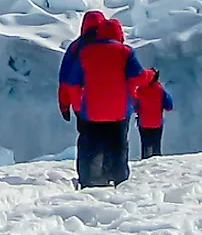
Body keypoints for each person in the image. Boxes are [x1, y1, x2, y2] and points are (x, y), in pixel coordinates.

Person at [59, 14, 146, 187]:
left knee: (89, 143)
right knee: (117, 142)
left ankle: (90, 178)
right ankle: (115, 176)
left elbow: (67, 79)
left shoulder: (78, 48)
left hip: (87, 106)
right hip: (118, 108)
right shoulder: (122, 51)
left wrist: (67, 105)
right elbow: (136, 77)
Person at [133, 67, 172, 158]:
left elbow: (135, 106)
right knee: (156, 145)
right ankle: (157, 163)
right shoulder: (160, 90)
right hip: (157, 123)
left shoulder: (140, 90)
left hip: (143, 123)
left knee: (145, 145)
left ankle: (145, 162)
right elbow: (169, 106)